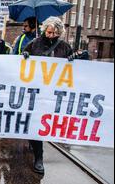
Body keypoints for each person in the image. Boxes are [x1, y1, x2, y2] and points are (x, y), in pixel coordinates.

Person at [21, 16, 88, 174]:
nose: (51, 35)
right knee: (37, 121)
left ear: (60, 32)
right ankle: (39, 158)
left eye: (55, 33)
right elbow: (22, 60)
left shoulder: (64, 47)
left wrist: (76, 57)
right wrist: (24, 55)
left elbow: (78, 66)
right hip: (37, 91)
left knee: (45, 122)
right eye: (49, 32)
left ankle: (34, 141)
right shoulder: (35, 43)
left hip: (54, 93)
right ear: (45, 30)